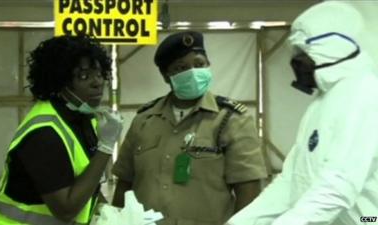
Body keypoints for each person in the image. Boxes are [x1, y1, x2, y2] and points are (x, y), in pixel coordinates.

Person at [226, 2, 378, 225]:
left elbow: (339, 185)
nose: (295, 62)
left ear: (331, 49)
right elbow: (291, 182)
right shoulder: (321, 103)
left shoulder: (364, 94)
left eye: (302, 52)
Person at [111, 31, 268, 225]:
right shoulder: (144, 120)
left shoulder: (231, 119)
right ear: (166, 76)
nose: (193, 72)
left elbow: (249, 190)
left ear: (208, 65)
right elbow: (124, 183)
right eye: (181, 68)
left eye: (199, 64)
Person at [0, 35, 123, 225]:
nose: (97, 82)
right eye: (84, 76)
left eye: (99, 74)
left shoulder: (83, 118)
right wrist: (106, 147)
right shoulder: (45, 134)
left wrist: (108, 212)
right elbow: (66, 210)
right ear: (59, 81)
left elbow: (86, 179)